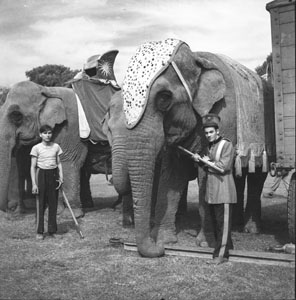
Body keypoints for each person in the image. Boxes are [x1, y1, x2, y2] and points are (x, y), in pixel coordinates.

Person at [194, 114, 237, 265]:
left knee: (223, 225)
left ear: (217, 131)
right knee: (218, 224)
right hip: (212, 193)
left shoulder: (226, 145)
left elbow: (223, 167)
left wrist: (206, 161)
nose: (208, 135)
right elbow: (209, 167)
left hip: (224, 191)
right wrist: (200, 161)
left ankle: (220, 256)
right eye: (206, 133)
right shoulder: (209, 146)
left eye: (211, 132)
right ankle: (227, 250)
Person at [30, 125, 63, 240]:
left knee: (53, 203)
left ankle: (52, 230)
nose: (47, 135)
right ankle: (40, 231)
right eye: (45, 133)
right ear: (40, 135)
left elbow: (59, 163)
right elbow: (32, 166)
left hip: (53, 174)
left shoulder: (56, 146)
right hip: (41, 174)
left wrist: (61, 177)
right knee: (41, 203)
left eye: (49, 133)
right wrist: (34, 184)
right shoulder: (36, 148)